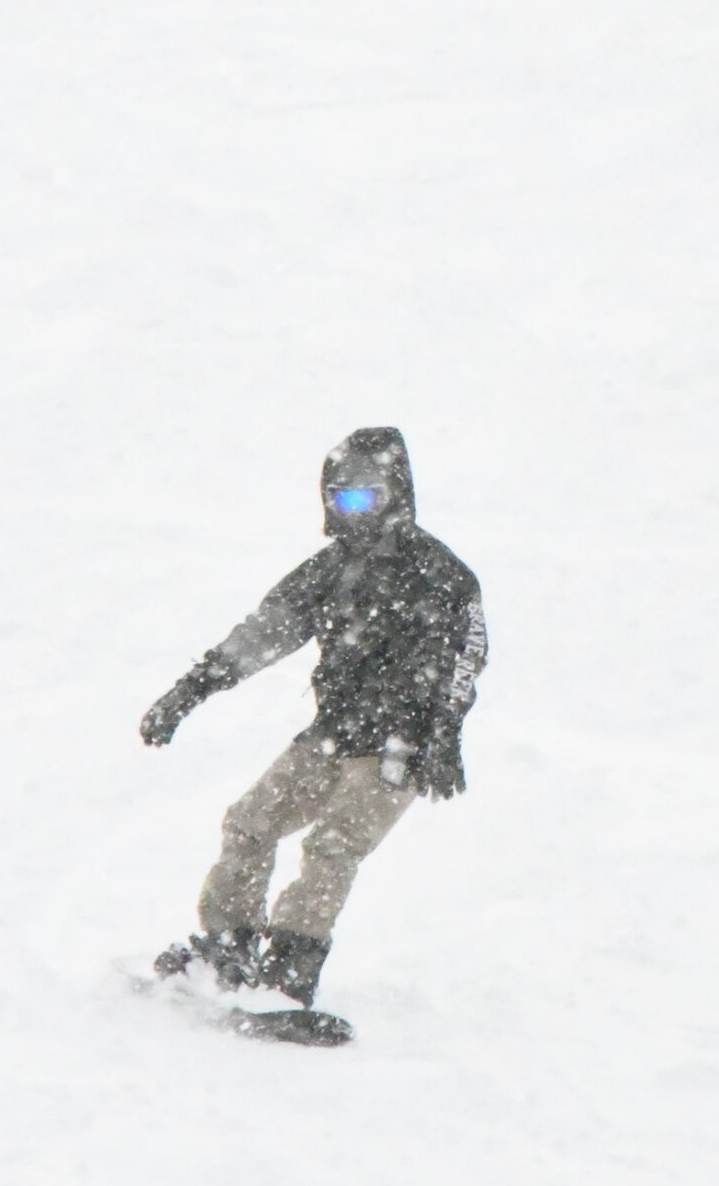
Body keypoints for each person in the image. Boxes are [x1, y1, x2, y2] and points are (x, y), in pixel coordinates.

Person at [140, 426, 487, 1007]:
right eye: (340, 498)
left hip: (399, 745)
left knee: (332, 846)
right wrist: (191, 689)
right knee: (249, 823)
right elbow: (262, 634)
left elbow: (466, 656)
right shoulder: (329, 572)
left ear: (396, 494)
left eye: (365, 497)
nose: (352, 512)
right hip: (333, 735)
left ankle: (292, 965)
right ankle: (230, 948)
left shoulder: (440, 574)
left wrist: (444, 731)